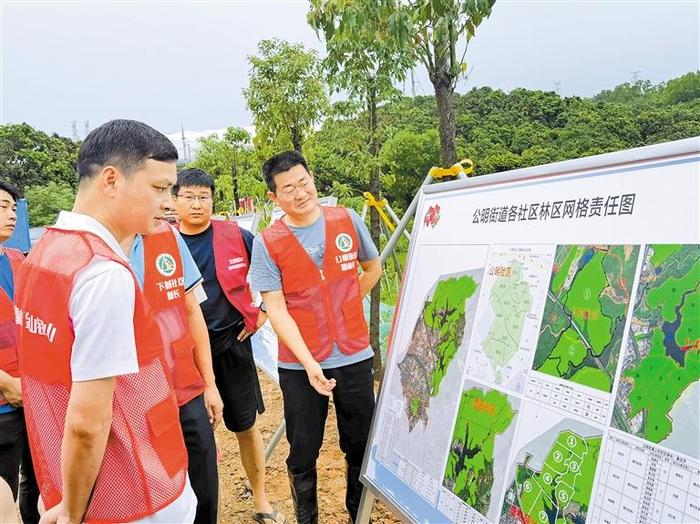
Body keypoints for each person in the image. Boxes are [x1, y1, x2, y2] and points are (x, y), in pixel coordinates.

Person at [14, 119, 197, 523]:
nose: (169, 202)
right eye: (159, 188)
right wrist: (74, 513)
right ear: (111, 180)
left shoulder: (42, 257)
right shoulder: (102, 272)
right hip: (133, 493)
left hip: (74, 483)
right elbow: (86, 421)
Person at [250, 151, 382, 524]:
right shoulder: (269, 242)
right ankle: (307, 518)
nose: (299, 193)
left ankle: (360, 515)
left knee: (359, 443)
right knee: (304, 448)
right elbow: (275, 309)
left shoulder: (347, 220)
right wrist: (309, 364)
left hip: (354, 355)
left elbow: (372, 267)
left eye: (303, 182)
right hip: (298, 364)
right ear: (274, 197)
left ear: (313, 180)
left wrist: (345, 304)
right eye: (287, 188)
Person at [172, 168, 284, 524]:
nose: (197, 203)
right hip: (183, 354)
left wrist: (263, 311)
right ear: (174, 200)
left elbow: (276, 267)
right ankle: (192, 507)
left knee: (246, 425)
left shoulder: (235, 235)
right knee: (190, 434)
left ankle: (261, 499)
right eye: (188, 196)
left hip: (232, 344)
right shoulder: (160, 240)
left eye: (204, 196)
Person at [124, 218, 223, 524]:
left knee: (204, 474)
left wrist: (209, 383)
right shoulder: (97, 246)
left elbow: (192, 310)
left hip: (184, 385)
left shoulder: (168, 236)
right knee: (157, 488)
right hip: (136, 400)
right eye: (157, 189)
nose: (166, 201)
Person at [0, 180, 40, 524]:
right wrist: (5, 383)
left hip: (33, 393)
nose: (10, 215)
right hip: (3, 402)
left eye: (13, 208)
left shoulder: (18, 260)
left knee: (39, 479)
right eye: (2, 207)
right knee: (4, 488)